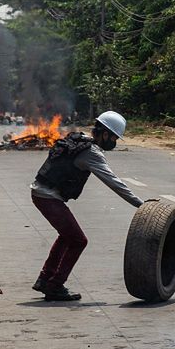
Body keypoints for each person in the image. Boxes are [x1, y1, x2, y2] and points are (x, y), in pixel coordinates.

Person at [30, 111, 150, 301]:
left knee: (67, 236)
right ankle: (55, 285)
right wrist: (142, 205)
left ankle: (45, 279)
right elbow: (114, 183)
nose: (114, 143)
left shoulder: (79, 139)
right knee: (79, 240)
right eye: (114, 138)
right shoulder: (91, 153)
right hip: (48, 197)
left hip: (41, 192)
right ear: (105, 134)